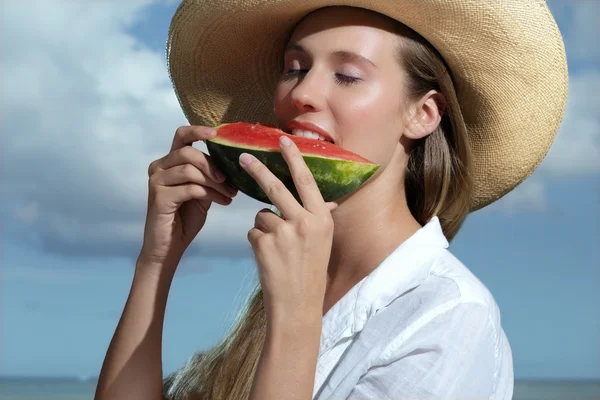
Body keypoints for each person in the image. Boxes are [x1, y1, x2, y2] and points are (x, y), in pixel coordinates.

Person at [95, 1, 567, 399]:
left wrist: (296, 316)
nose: (302, 92)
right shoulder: (289, 287)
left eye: (346, 75)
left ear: (422, 113)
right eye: (294, 68)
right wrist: (157, 262)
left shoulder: (449, 321)